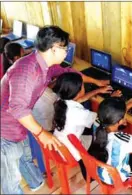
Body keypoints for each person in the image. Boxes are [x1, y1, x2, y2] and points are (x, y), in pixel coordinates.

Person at [0, 25, 110, 194]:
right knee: (11, 178)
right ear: (53, 48)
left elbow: (69, 71)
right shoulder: (26, 70)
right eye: (65, 48)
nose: (67, 52)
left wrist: (96, 83)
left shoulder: (44, 64)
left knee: (25, 156)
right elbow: (17, 109)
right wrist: (41, 133)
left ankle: (36, 185)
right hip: (5, 128)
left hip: (20, 125)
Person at [81, 97, 132, 185]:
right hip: (114, 178)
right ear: (120, 121)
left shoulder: (97, 122)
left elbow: (111, 114)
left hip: (98, 170)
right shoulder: (122, 140)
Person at [52, 72, 112, 161]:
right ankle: (89, 164)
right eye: (83, 85)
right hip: (71, 153)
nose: (84, 87)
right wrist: (111, 99)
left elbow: (80, 99)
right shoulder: (80, 113)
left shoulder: (61, 100)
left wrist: (98, 90)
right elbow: (100, 117)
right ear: (78, 91)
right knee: (100, 132)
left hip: (59, 144)